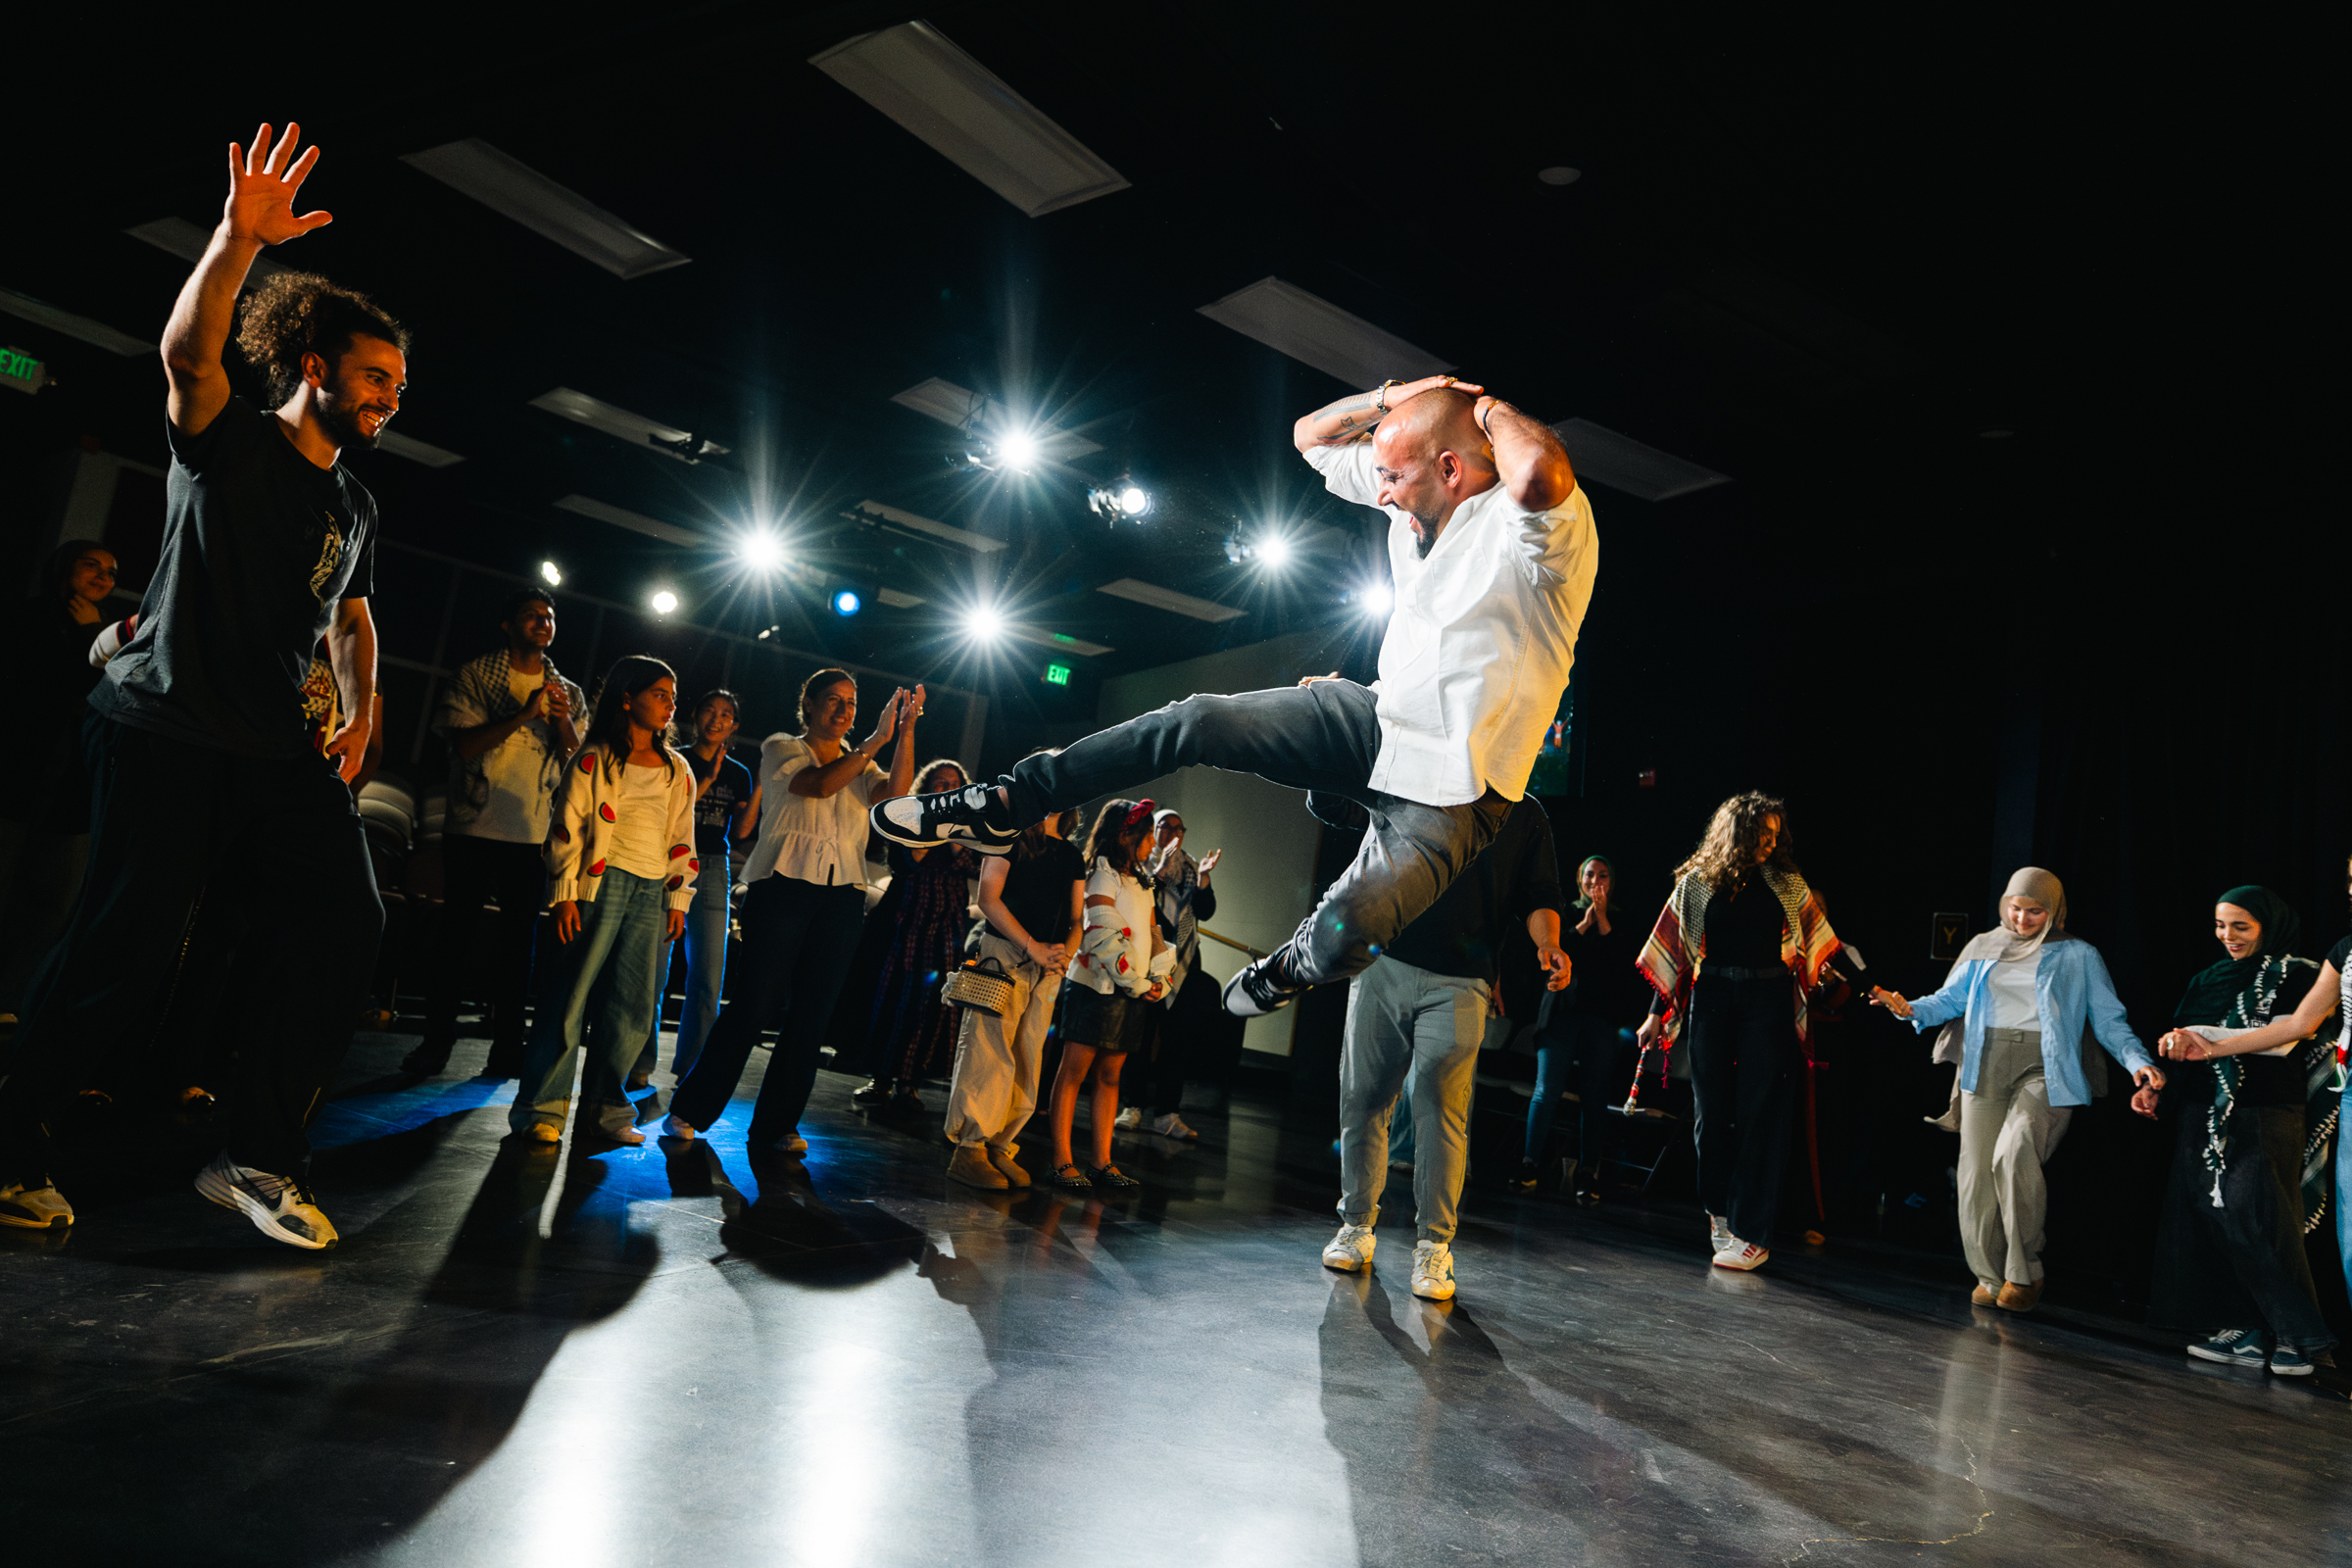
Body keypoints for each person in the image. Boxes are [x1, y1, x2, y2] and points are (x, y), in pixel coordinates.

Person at [872, 376, 1593, 1024]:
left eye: (1394, 476)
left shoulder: (1540, 533)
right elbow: (1307, 436)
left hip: (1460, 790)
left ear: (1451, 467)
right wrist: (1392, 397)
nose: (1380, 494)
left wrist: (1487, 406)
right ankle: (1005, 803)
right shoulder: (1411, 501)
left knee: (1352, 927)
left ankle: (1296, 964)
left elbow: (1538, 477)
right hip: (1375, 721)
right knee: (1194, 721)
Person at [0, 123, 396, 1245]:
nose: (389, 397)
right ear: (314, 365)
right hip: (164, 722)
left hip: (275, 746)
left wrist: (362, 706)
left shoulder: (357, 508)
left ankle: (257, 1157)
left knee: (344, 923)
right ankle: (13, 1138)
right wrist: (234, 238)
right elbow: (187, 354)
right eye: (374, 376)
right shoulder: (226, 438)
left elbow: (355, 620)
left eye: (399, 385)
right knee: (125, 945)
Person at [1871, 867, 2163, 1310]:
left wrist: (2138, 1062)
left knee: (2015, 1149)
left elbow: (2108, 1020)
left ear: (2054, 911)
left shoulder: (2078, 954)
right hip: (1983, 1063)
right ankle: (1989, 1276)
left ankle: (2025, 1268)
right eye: (2015, 907)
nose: (2022, 919)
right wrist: (1908, 1008)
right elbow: (1950, 1000)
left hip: (2046, 1068)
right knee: (1974, 1178)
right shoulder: (1984, 946)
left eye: (2034, 911)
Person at [1322, 795, 1570, 1300]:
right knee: (1364, 1097)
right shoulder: (1421, 774)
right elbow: (1339, 805)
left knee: (1442, 1107)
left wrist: (1548, 942)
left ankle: (1434, 1247)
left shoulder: (1525, 812)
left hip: (1463, 980)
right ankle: (1356, 1226)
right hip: (1385, 959)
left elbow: (1539, 891)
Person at [662, 670, 919, 1156]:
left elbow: (897, 796)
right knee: (754, 1005)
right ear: (808, 703)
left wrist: (903, 733)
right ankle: (690, 1110)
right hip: (781, 887)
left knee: (812, 1016)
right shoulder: (784, 746)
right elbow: (818, 786)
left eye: (851, 702)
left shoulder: (859, 765)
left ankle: (776, 1126)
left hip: (842, 894)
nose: (843, 710)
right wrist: (874, 740)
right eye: (833, 701)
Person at [1634, 793, 1863, 1272]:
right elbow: (1673, 952)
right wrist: (1656, 1013)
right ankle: (1719, 1212)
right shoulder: (1697, 884)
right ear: (1736, 833)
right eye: (1762, 833)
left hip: (1768, 1001)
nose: (1770, 842)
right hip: (1713, 998)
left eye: (1775, 834)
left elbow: (1823, 943)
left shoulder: (1786, 882)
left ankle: (1752, 1233)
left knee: (1762, 1114)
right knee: (1710, 1115)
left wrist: (1870, 985)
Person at [2147, 886, 2336, 1376]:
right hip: (2201, 1109)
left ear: (2267, 926)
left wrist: (2204, 1041)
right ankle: (2246, 1328)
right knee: (2215, 1220)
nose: (2227, 936)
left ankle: (2302, 1337)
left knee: (2258, 1218)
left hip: (2264, 1110)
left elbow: (2288, 1037)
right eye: (2220, 925)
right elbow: (2183, 1042)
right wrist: (2159, 1086)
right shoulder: (2209, 977)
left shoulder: (2298, 974)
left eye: (2240, 926)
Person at [509, 657, 697, 1145]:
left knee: (632, 1004)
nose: (669, 704)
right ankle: (541, 1110)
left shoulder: (677, 770)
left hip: (650, 888)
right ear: (627, 697)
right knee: (569, 998)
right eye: (659, 693)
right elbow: (567, 825)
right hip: (599, 885)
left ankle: (605, 1111)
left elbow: (682, 836)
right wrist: (565, 892)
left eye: (672, 696)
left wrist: (677, 898)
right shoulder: (595, 757)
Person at [405, 589, 584, 1077]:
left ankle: (507, 1048)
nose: (542, 623)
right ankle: (436, 1041)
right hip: (474, 822)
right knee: (456, 938)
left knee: (518, 947)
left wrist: (562, 717)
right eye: (531, 616)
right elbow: (464, 746)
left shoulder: (565, 689)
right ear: (508, 625)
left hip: (532, 831)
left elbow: (579, 761)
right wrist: (524, 714)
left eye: (548, 618)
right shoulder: (475, 675)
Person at [0, 541, 119, 1015]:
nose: (103, 576)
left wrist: (92, 635)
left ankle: (13, 1004)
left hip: (70, 793)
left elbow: (102, 699)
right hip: (14, 780)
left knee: (49, 907)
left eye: (111, 571)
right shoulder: (29, 620)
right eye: (91, 565)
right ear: (64, 568)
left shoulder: (104, 635)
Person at [941, 800, 1085, 1189]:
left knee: (1028, 1053)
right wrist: (1031, 946)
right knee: (989, 1048)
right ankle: (970, 1147)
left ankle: (1000, 1145)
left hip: (1049, 963)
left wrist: (1065, 950)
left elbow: (1077, 917)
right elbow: (989, 899)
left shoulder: (1072, 853)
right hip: (1006, 953)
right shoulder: (1007, 837)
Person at [1043, 799, 1171, 1191]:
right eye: (1148, 835)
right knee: (1074, 1072)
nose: (1153, 843)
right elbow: (1100, 934)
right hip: (1095, 988)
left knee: (1111, 1074)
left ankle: (1102, 1161)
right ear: (1125, 835)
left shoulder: (1142, 880)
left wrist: (1160, 978)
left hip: (1130, 991)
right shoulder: (1101, 875)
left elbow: (1153, 933)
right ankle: (1062, 1160)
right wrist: (1135, 981)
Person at [630, 689, 757, 1089]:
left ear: (734, 726)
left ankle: (692, 1068)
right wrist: (707, 780)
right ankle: (639, 1061)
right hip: (666, 863)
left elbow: (741, 834)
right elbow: (666, 815)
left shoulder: (739, 773)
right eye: (709, 711)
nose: (715, 720)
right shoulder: (672, 758)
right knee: (654, 969)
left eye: (725, 715)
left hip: (712, 868)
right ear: (695, 715)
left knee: (707, 975)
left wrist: (759, 793)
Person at [853, 759, 982, 1110]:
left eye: (952, 783)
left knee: (932, 1004)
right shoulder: (908, 816)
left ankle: (910, 1083)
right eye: (938, 783)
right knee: (894, 998)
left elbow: (970, 866)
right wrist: (934, 823)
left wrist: (954, 827)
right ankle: (880, 1079)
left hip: (947, 923)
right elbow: (908, 861)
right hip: (906, 918)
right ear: (926, 787)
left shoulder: (969, 825)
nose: (945, 788)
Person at [1518, 855, 1647, 1202]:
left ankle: (1589, 1172)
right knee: (1546, 1091)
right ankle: (1529, 1165)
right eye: (1590, 875)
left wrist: (1602, 920)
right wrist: (1584, 925)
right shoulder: (1564, 914)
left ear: (1611, 881)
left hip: (1601, 1020)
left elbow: (1625, 966)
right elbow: (1555, 952)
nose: (1596, 881)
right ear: (1580, 880)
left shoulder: (1621, 921)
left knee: (1594, 1098)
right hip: (1561, 1015)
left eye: (1603, 875)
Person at [1119, 808, 1222, 1141]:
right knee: (1140, 1035)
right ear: (1155, 829)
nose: (1172, 833)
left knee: (1176, 1040)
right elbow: (1141, 899)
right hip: (1147, 957)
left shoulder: (1192, 868)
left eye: (1178, 828)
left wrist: (1205, 879)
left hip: (1184, 963)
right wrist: (1159, 869)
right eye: (1164, 826)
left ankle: (1167, 1114)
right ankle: (1132, 1106)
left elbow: (1205, 911)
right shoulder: (1142, 863)